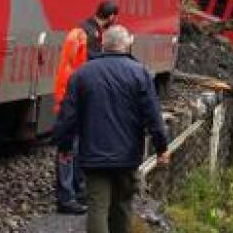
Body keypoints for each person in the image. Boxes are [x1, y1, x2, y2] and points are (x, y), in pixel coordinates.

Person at [52, 25, 171, 233]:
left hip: (93, 155)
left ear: (102, 45)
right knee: (122, 206)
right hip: (127, 156)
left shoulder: (82, 74)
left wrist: (64, 147)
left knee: (97, 207)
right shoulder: (140, 74)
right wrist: (162, 148)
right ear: (127, 45)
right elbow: (153, 116)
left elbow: (67, 117)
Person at [53, 0, 120, 215]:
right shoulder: (89, 36)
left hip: (71, 96)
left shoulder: (83, 31)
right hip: (73, 98)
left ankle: (75, 191)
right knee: (68, 146)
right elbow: (91, 67)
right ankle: (67, 197)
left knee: (76, 144)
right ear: (111, 17)